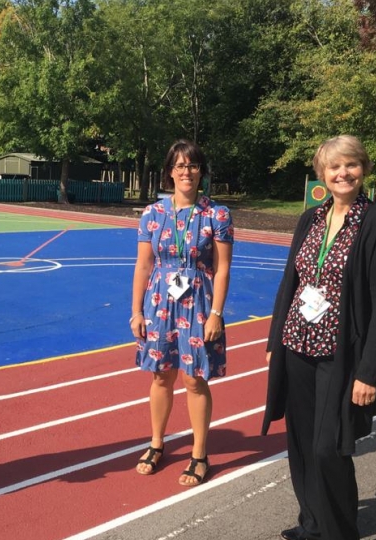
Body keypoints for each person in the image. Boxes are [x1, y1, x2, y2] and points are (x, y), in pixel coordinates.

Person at [261, 135, 376, 540]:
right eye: (334, 166)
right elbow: (290, 283)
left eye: (351, 165)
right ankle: (312, 523)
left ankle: (339, 531)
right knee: (302, 443)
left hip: (341, 353)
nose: (343, 173)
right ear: (321, 174)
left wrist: (368, 371)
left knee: (329, 446)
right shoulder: (311, 219)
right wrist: (274, 342)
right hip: (297, 346)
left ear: (364, 169)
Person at [130, 139, 234, 486]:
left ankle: (199, 454)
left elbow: (222, 268)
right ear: (170, 172)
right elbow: (143, 266)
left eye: (192, 165)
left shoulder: (217, 214)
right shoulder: (152, 214)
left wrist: (217, 312)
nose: (186, 171)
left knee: (194, 379)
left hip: (200, 302)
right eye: (180, 165)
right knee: (160, 375)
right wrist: (136, 312)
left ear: (201, 171)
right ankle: (156, 444)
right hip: (159, 302)